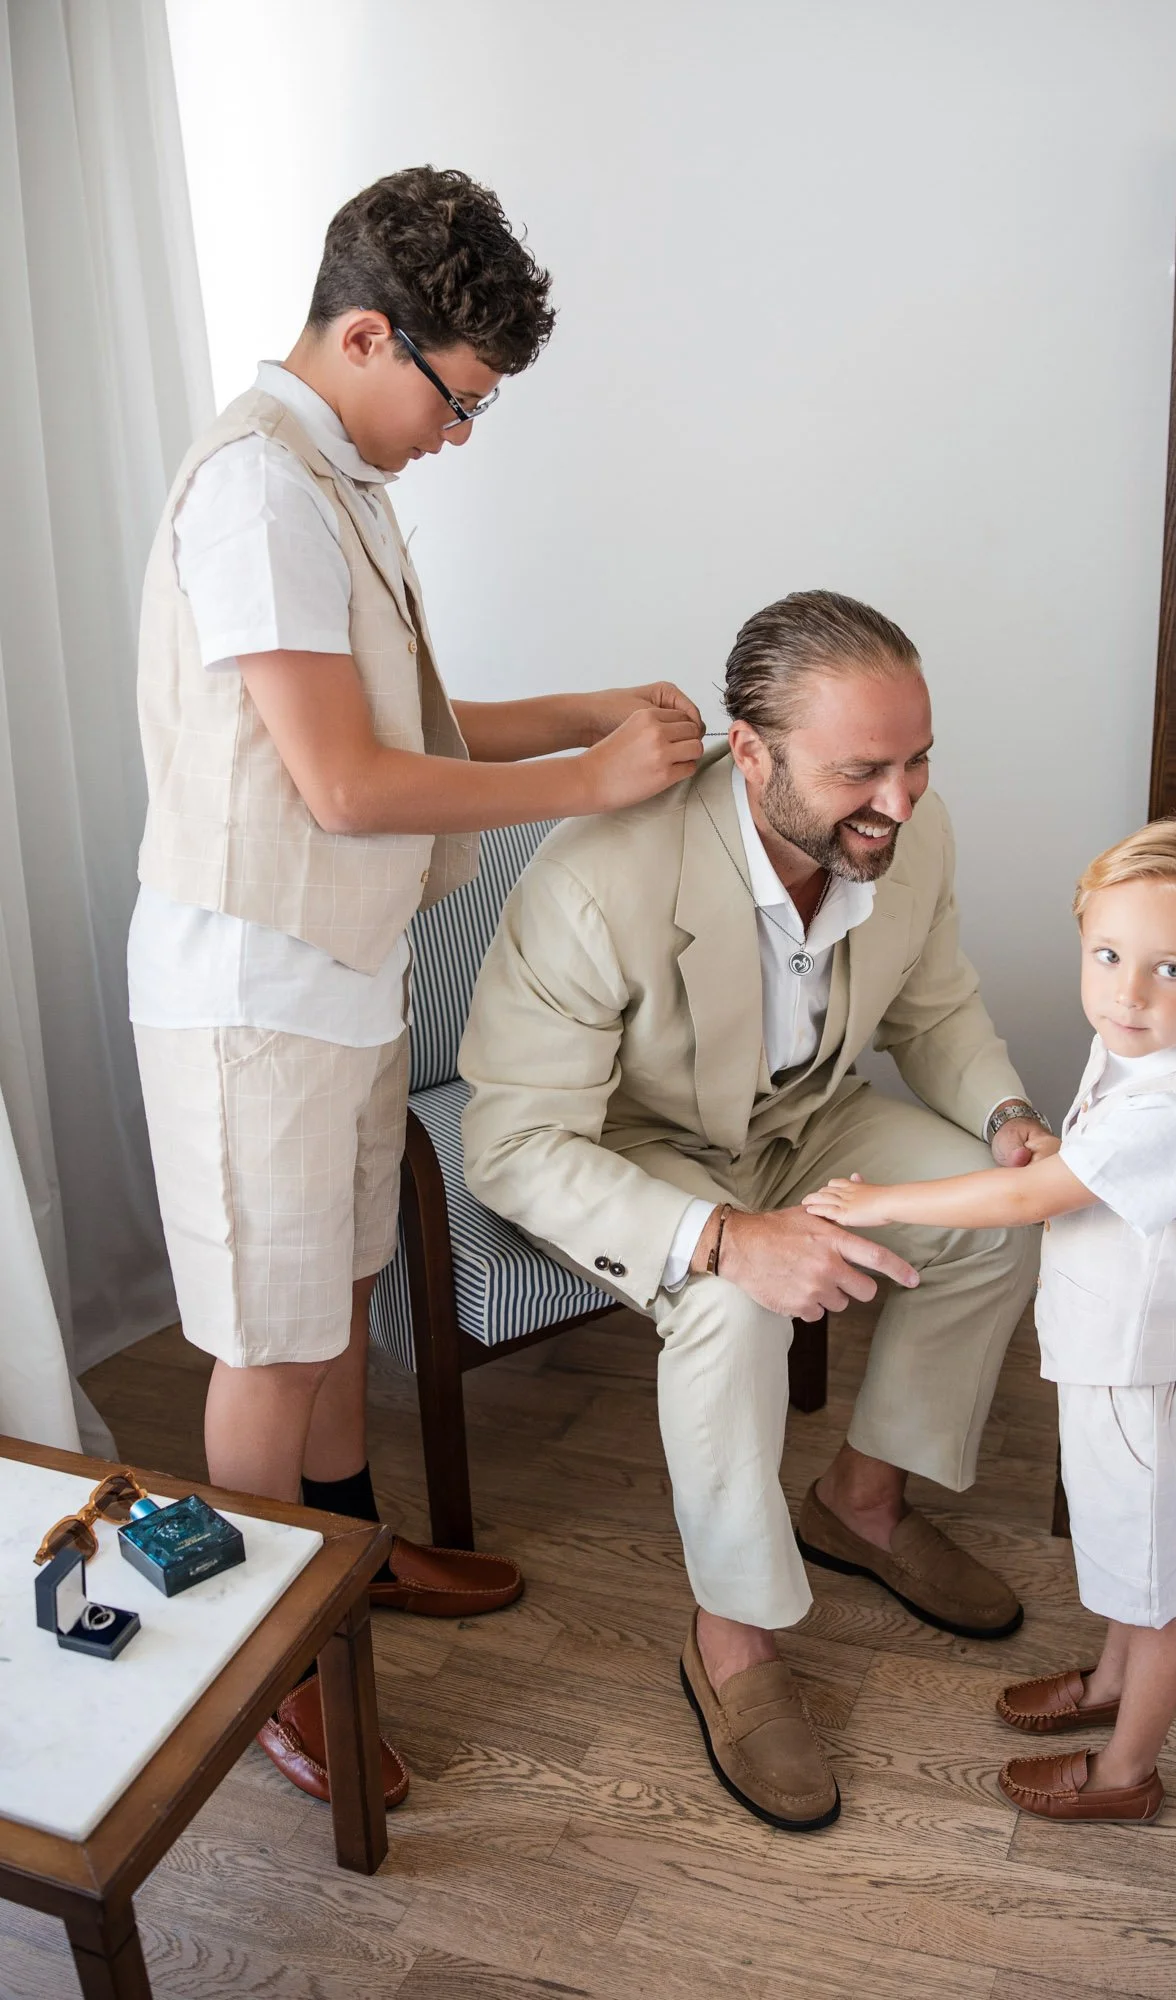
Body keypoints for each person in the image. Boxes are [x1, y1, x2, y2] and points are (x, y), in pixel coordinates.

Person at [129, 165, 703, 1809]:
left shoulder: (337, 478)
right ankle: (283, 1683)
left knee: (323, 1323)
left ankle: (355, 1568)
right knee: (265, 1342)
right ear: (370, 333)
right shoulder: (258, 490)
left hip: (335, 974)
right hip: (253, 988)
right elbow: (343, 790)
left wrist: (584, 709)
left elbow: (410, 728)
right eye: (456, 400)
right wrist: (588, 784)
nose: (458, 436)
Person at [460, 588, 1045, 1832]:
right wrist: (724, 1236)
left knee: (1002, 1212)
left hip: (803, 1118)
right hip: (637, 1143)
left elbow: (933, 1013)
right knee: (732, 1313)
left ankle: (861, 1504)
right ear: (753, 750)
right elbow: (509, 1138)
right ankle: (730, 1636)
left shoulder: (909, 837)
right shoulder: (598, 874)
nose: (901, 798)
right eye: (861, 771)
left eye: (918, 757)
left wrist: (1005, 1123)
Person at [805, 818, 1176, 1823]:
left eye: (1167, 969)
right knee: (1125, 1562)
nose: (1126, 992)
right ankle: (1107, 1683)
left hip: (1149, 1383)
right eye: (1107, 955)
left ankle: (1126, 1771)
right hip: (1117, 1363)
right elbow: (1090, 1164)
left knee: (1159, 1597)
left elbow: (1029, 1200)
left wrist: (882, 1199)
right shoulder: (1142, 1053)